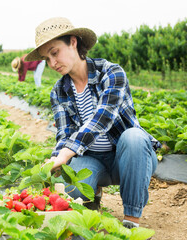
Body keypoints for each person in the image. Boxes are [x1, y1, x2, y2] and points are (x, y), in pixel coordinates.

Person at [25, 17, 161, 229]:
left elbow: (103, 118)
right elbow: (64, 133)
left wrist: (66, 153)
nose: (52, 63)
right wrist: (54, 161)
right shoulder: (58, 91)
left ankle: (131, 222)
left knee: (134, 136)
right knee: (72, 191)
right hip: (92, 160)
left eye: (54, 52)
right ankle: (93, 193)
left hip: (127, 158)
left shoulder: (111, 73)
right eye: (46, 59)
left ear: (73, 42)